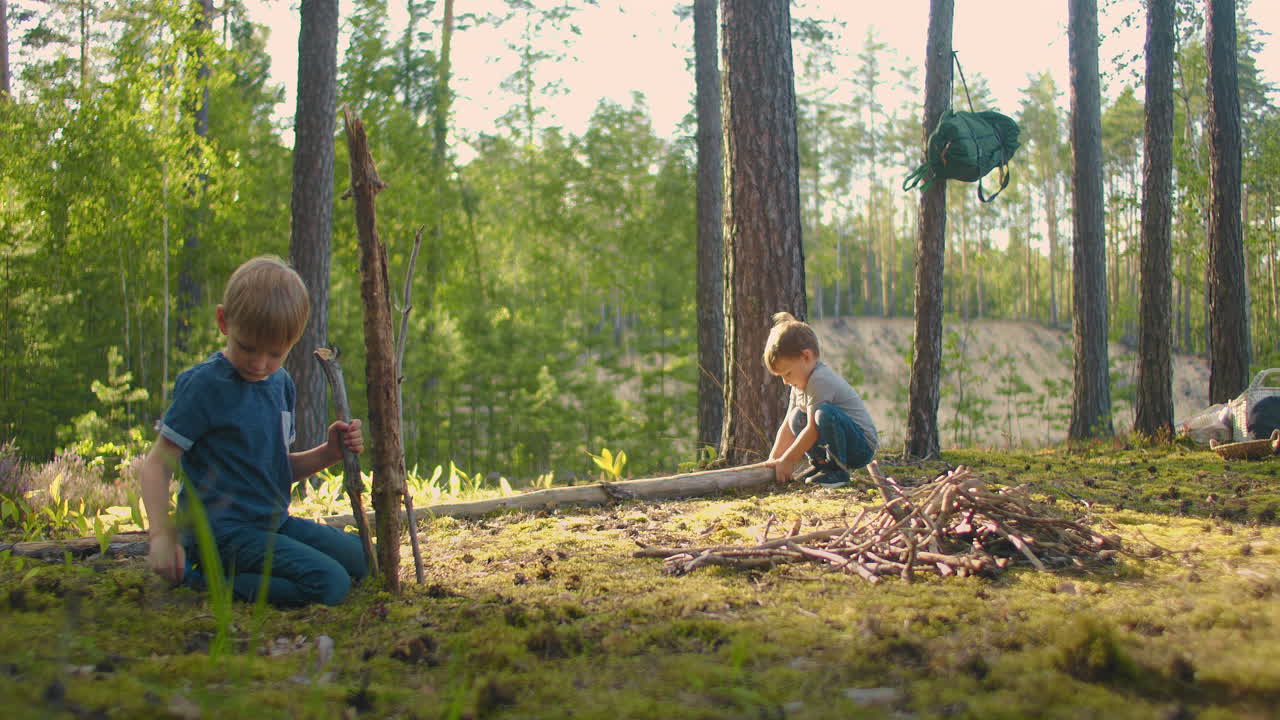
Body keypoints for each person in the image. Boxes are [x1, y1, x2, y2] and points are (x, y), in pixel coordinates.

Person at [137, 256, 368, 606]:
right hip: (219, 534)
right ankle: (207, 582)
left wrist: (329, 452)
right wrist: (160, 536)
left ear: (294, 341)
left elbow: (274, 468)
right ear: (223, 321)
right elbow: (157, 464)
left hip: (272, 523)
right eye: (247, 347)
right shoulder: (204, 386)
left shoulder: (281, 385)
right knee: (330, 583)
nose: (259, 364)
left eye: (274, 353)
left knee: (364, 558)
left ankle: (252, 575)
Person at [763, 312, 878, 489]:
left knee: (823, 414)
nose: (785, 381)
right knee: (796, 417)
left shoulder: (819, 379)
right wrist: (774, 458)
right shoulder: (799, 385)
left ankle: (838, 471)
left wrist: (788, 460)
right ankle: (822, 466)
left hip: (860, 447)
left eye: (788, 373)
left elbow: (813, 429)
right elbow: (787, 426)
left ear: (806, 357)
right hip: (839, 443)